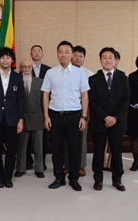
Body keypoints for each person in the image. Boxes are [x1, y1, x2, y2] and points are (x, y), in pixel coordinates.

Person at [41, 41, 89, 192]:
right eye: (60, 51)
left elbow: (84, 95)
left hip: (75, 115)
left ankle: (74, 179)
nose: (63, 54)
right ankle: (59, 178)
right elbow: (45, 95)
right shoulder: (50, 73)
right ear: (57, 54)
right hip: (55, 116)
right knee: (57, 150)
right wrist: (46, 116)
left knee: (74, 150)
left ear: (72, 54)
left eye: (67, 52)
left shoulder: (79, 72)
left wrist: (84, 116)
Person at [89, 47, 130, 191]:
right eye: (104, 57)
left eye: (110, 57)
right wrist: (105, 117)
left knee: (117, 152)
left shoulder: (123, 78)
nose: (107, 60)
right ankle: (98, 179)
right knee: (98, 152)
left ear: (115, 60)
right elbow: (92, 100)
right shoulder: (93, 79)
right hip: (100, 122)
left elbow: (125, 100)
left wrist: (115, 118)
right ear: (100, 60)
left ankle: (117, 179)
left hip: (117, 123)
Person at [0, 47, 25, 188]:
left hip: (12, 120)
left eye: (8, 57)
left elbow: (21, 101)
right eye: (2, 57)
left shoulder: (18, 78)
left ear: (12, 60)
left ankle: (8, 177)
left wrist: (21, 120)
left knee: (11, 151)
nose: (5, 60)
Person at [63, 46, 94, 177]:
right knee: (66, 139)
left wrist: (84, 113)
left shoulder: (89, 74)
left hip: (83, 111)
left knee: (81, 139)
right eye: (75, 55)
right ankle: (67, 164)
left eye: (80, 56)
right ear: (70, 56)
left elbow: (91, 95)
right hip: (67, 111)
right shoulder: (63, 71)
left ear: (84, 59)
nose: (77, 58)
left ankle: (81, 166)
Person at [15, 58, 45, 178]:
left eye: (29, 67)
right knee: (21, 146)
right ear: (20, 68)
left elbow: (45, 101)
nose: (27, 69)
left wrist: (45, 117)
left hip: (37, 116)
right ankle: (21, 168)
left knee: (38, 146)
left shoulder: (40, 82)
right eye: (24, 67)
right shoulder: (16, 81)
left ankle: (39, 169)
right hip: (22, 118)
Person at [30, 44, 51, 170]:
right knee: (26, 139)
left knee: (42, 138)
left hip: (43, 108)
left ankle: (41, 162)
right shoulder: (25, 68)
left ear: (42, 55)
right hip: (29, 108)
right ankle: (28, 161)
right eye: (34, 51)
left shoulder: (49, 71)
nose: (37, 53)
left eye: (39, 51)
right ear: (30, 54)